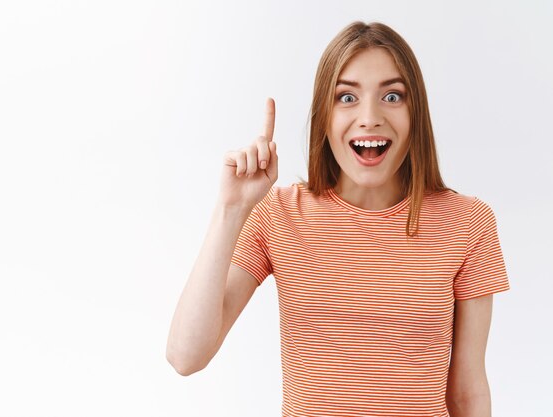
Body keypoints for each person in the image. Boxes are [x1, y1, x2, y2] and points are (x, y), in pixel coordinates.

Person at [166, 20, 510, 417]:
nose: (369, 117)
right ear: (323, 117)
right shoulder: (278, 215)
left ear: (416, 113)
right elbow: (185, 356)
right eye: (346, 97)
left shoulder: (468, 223)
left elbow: (467, 393)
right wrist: (231, 209)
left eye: (393, 96)